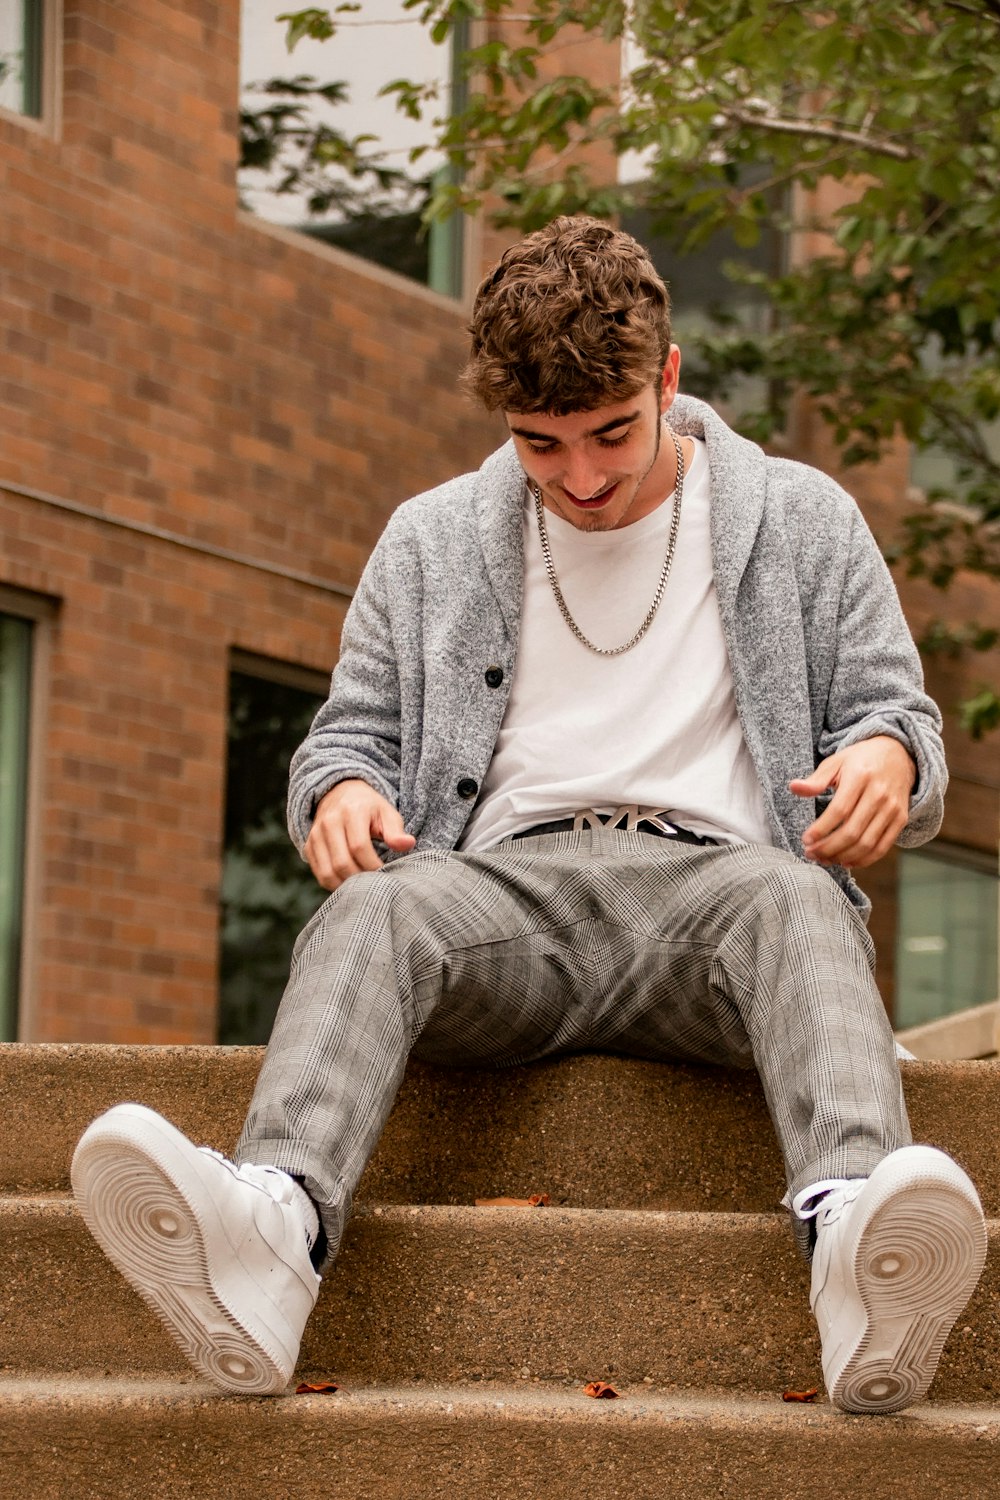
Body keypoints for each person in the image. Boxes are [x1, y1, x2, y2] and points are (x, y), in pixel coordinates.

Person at [72, 216, 985, 1415]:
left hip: (720, 902)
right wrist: (341, 792)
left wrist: (882, 760)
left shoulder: (801, 519)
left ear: (667, 378)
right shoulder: (432, 538)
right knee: (374, 913)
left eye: (611, 433)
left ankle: (858, 1251)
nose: (586, 478)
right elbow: (344, 741)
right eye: (540, 446)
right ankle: (269, 1238)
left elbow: (899, 720)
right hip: (501, 904)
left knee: (799, 899)